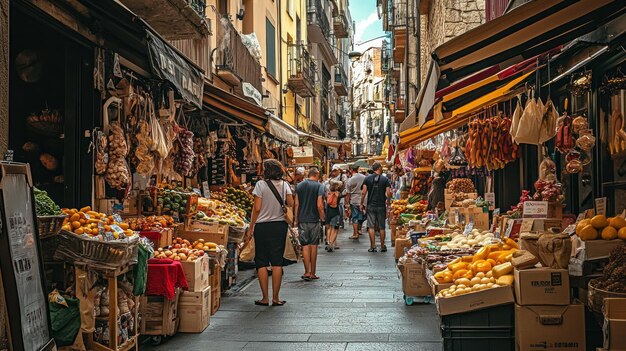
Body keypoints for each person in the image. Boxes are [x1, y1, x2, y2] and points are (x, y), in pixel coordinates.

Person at [247, 159, 293, 306]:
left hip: (262, 226)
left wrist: (251, 226)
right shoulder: (285, 185)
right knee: (277, 261)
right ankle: (276, 298)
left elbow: (257, 208)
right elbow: (290, 204)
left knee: (261, 261)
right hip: (279, 226)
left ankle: (265, 298)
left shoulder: (260, 185)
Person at [294, 167, 325, 281]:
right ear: (316, 175)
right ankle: (313, 272)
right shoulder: (319, 186)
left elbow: (296, 204)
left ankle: (306, 271)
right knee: (314, 245)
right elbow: (319, 205)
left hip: (302, 219)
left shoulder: (300, 185)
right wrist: (322, 218)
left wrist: (296, 219)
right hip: (314, 219)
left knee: (305, 245)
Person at [360, 162, 392, 252]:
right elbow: (388, 193)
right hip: (381, 205)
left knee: (371, 226)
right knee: (382, 227)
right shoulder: (385, 179)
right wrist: (388, 202)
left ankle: (372, 246)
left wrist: (362, 203)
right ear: (379, 168)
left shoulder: (367, 179)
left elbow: (363, 192)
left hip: (371, 205)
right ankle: (382, 246)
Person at [345, 163, 366, 239]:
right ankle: (359, 230)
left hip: (354, 200)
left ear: (351, 170)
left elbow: (348, 193)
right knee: (362, 215)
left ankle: (355, 233)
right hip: (363, 200)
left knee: (355, 217)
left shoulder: (350, 180)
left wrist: (347, 203)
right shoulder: (364, 177)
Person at [325, 180, 344, 252]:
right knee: (335, 229)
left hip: (328, 212)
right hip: (335, 212)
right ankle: (331, 244)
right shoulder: (338, 194)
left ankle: (328, 242)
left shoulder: (328, 193)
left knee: (329, 228)